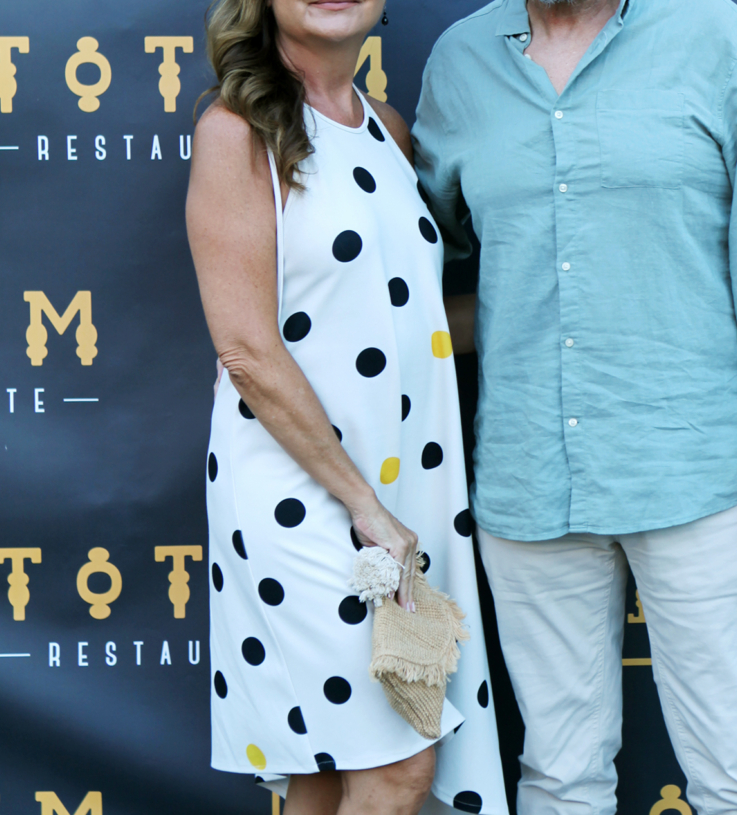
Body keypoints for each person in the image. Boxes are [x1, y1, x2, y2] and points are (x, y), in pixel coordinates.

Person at [414, 1, 737, 813]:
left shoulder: (715, 37)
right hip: (528, 474)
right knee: (558, 774)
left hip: (697, 470)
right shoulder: (461, 61)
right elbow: (416, 245)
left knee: (735, 776)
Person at [186, 1, 506, 814]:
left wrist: (555, 307)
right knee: (397, 765)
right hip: (304, 497)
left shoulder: (390, 132)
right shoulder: (236, 131)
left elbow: (414, 324)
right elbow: (249, 351)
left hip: (404, 493)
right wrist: (366, 508)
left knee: (326, 772)